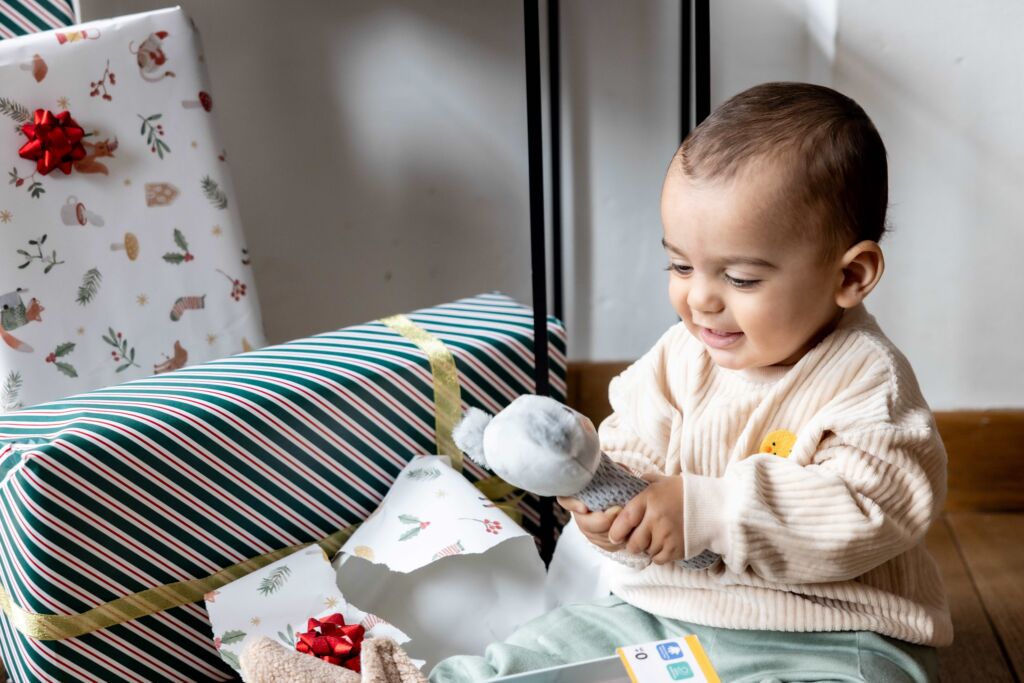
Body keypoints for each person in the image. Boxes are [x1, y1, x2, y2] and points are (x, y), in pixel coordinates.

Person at [430, 82, 951, 683]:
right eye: (680, 265)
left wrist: (712, 510)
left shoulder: (866, 380)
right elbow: (629, 444)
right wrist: (611, 508)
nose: (699, 298)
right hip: (663, 611)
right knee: (536, 653)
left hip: (828, 632)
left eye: (742, 278)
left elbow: (869, 512)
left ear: (851, 274)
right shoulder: (683, 355)